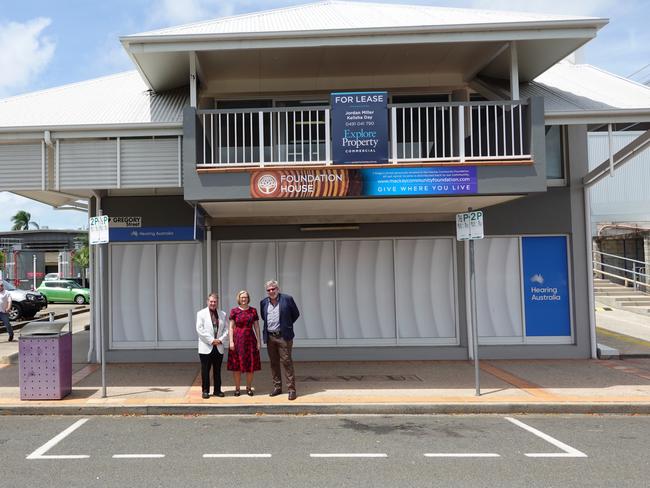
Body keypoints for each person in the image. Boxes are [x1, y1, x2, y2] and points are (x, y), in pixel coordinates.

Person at [260, 280, 300, 400]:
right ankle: (277, 387)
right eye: (269, 290)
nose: (271, 291)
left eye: (273, 289)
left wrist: (286, 325)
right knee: (274, 363)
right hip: (270, 336)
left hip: (284, 336)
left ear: (278, 289)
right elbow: (263, 317)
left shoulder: (287, 299)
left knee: (287, 362)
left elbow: (295, 314)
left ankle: (291, 389)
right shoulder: (263, 303)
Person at [227, 290, 261, 396]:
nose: (243, 299)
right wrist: (231, 341)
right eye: (242, 297)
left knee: (250, 366)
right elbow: (231, 328)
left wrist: (259, 341)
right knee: (236, 366)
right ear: (239, 298)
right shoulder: (234, 311)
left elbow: (256, 326)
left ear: (248, 298)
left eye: (245, 297)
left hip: (250, 340)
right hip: (237, 340)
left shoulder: (253, 311)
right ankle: (237, 389)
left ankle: (249, 388)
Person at [196, 292, 228, 399]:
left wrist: (220, 340)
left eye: (215, 301)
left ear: (217, 302)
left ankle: (217, 390)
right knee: (205, 370)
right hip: (206, 347)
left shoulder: (223, 314)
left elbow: (227, 330)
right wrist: (211, 340)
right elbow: (200, 330)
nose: (213, 303)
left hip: (218, 347)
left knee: (217, 370)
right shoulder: (201, 313)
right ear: (207, 301)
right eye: (211, 301)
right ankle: (205, 391)